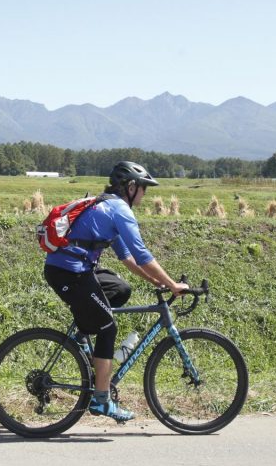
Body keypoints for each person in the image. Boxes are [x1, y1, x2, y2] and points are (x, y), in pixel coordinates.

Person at [43, 160, 188, 422]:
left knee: (120, 289)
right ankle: (101, 401)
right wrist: (173, 285)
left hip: (75, 268)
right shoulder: (119, 210)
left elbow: (127, 258)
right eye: (144, 188)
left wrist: (156, 281)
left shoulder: (107, 204)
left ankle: (83, 335)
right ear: (131, 187)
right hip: (69, 271)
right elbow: (142, 254)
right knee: (108, 328)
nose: (145, 194)